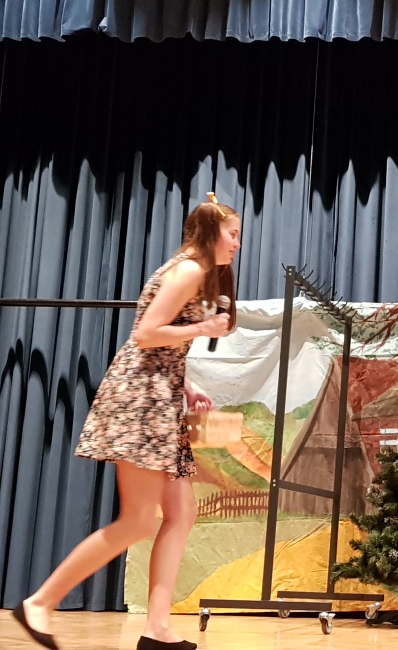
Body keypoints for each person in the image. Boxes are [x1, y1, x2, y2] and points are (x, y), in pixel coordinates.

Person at [13, 193, 241, 650]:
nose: (236, 243)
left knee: (181, 514)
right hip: (141, 401)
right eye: (232, 234)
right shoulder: (188, 271)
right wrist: (202, 329)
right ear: (211, 232)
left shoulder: (193, 271)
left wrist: (186, 386)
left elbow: (159, 343)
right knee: (138, 521)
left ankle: (156, 629)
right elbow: (146, 333)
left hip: (159, 396)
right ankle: (40, 602)